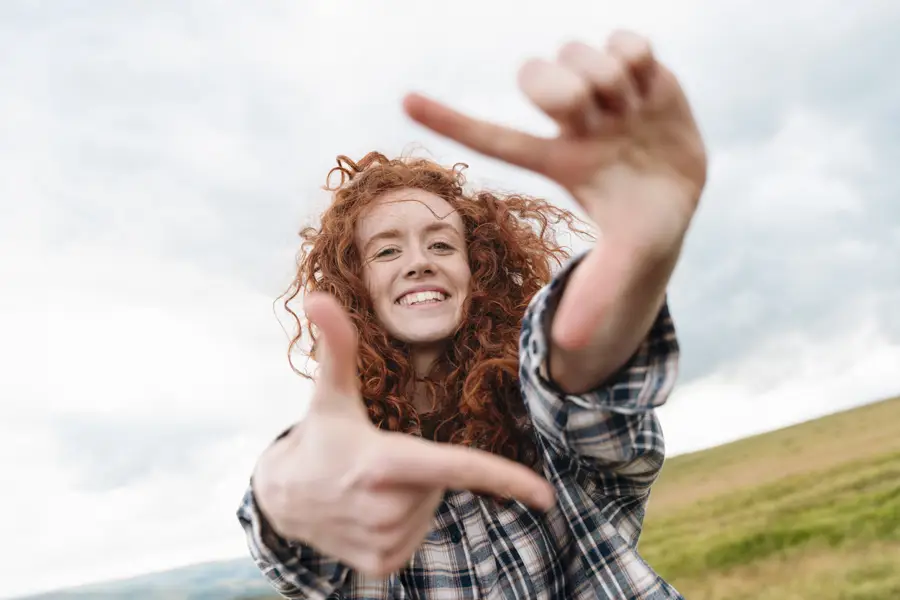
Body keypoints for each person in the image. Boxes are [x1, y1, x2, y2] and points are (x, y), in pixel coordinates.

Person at [237, 29, 707, 599]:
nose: (418, 263)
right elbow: (292, 525)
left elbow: (578, 370)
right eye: (386, 250)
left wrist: (637, 250)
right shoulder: (352, 465)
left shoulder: (541, 418)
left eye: (441, 245)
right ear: (352, 286)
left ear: (479, 269)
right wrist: (282, 492)